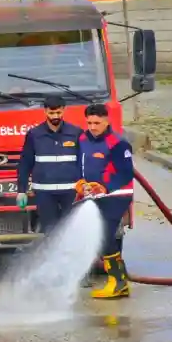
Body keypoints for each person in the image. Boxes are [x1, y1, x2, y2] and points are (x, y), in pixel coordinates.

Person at [75, 103, 134, 299]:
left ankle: (116, 282)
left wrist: (106, 187)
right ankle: (120, 282)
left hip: (117, 195)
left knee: (107, 235)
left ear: (106, 121)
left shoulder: (118, 143)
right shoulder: (82, 139)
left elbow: (126, 174)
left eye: (97, 123)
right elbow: (79, 165)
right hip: (94, 195)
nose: (92, 127)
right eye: (89, 122)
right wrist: (80, 182)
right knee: (100, 236)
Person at [16, 99, 82, 233]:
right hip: (44, 194)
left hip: (71, 192)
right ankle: (54, 254)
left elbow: (84, 162)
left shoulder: (76, 133)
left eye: (58, 112)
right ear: (45, 111)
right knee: (50, 231)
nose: (55, 116)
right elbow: (25, 163)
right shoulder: (34, 135)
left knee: (72, 229)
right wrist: (21, 191)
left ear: (64, 110)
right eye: (52, 113)